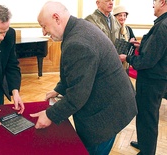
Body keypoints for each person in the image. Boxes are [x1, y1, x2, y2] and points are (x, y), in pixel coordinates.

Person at [30, 1, 137, 155]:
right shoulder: (77, 27)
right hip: (113, 103)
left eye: (44, 26)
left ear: (56, 18)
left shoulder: (78, 42)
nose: (44, 32)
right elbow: (78, 73)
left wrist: (49, 115)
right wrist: (59, 89)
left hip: (105, 116)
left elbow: (78, 95)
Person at [120, 0, 167, 154]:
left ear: (163, 2)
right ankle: (145, 144)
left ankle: (147, 151)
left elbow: (147, 61)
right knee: (147, 115)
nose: (153, 6)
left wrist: (127, 58)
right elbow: (158, 51)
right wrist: (142, 46)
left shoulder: (162, 26)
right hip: (156, 80)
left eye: (154, 2)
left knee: (147, 118)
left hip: (151, 82)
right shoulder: (163, 23)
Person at [113, 5, 136, 71]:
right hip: (113, 63)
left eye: (124, 15)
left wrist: (131, 44)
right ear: (114, 17)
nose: (123, 18)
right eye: (120, 15)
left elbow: (133, 48)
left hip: (125, 64)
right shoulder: (111, 30)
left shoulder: (128, 29)